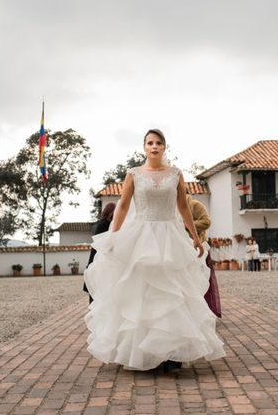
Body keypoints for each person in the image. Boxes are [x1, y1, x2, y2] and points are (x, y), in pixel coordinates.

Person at [83, 129, 225, 373]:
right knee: (142, 291)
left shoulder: (175, 174)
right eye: (150, 142)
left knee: (173, 292)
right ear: (144, 147)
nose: (154, 146)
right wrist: (114, 236)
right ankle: (142, 351)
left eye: (159, 142)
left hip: (171, 236)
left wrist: (194, 236)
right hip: (141, 236)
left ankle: (172, 352)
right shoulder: (134, 174)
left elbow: (183, 207)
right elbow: (124, 206)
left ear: (165, 147)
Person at [186, 194, 221, 318]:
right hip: (182, 249)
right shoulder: (172, 206)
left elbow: (206, 222)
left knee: (201, 280)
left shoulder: (195, 205)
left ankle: (204, 312)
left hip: (198, 248)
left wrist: (186, 225)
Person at [83, 202, 116, 304]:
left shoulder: (99, 224)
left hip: (94, 259)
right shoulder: (106, 225)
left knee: (94, 289)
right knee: (98, 290)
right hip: (99, 259)